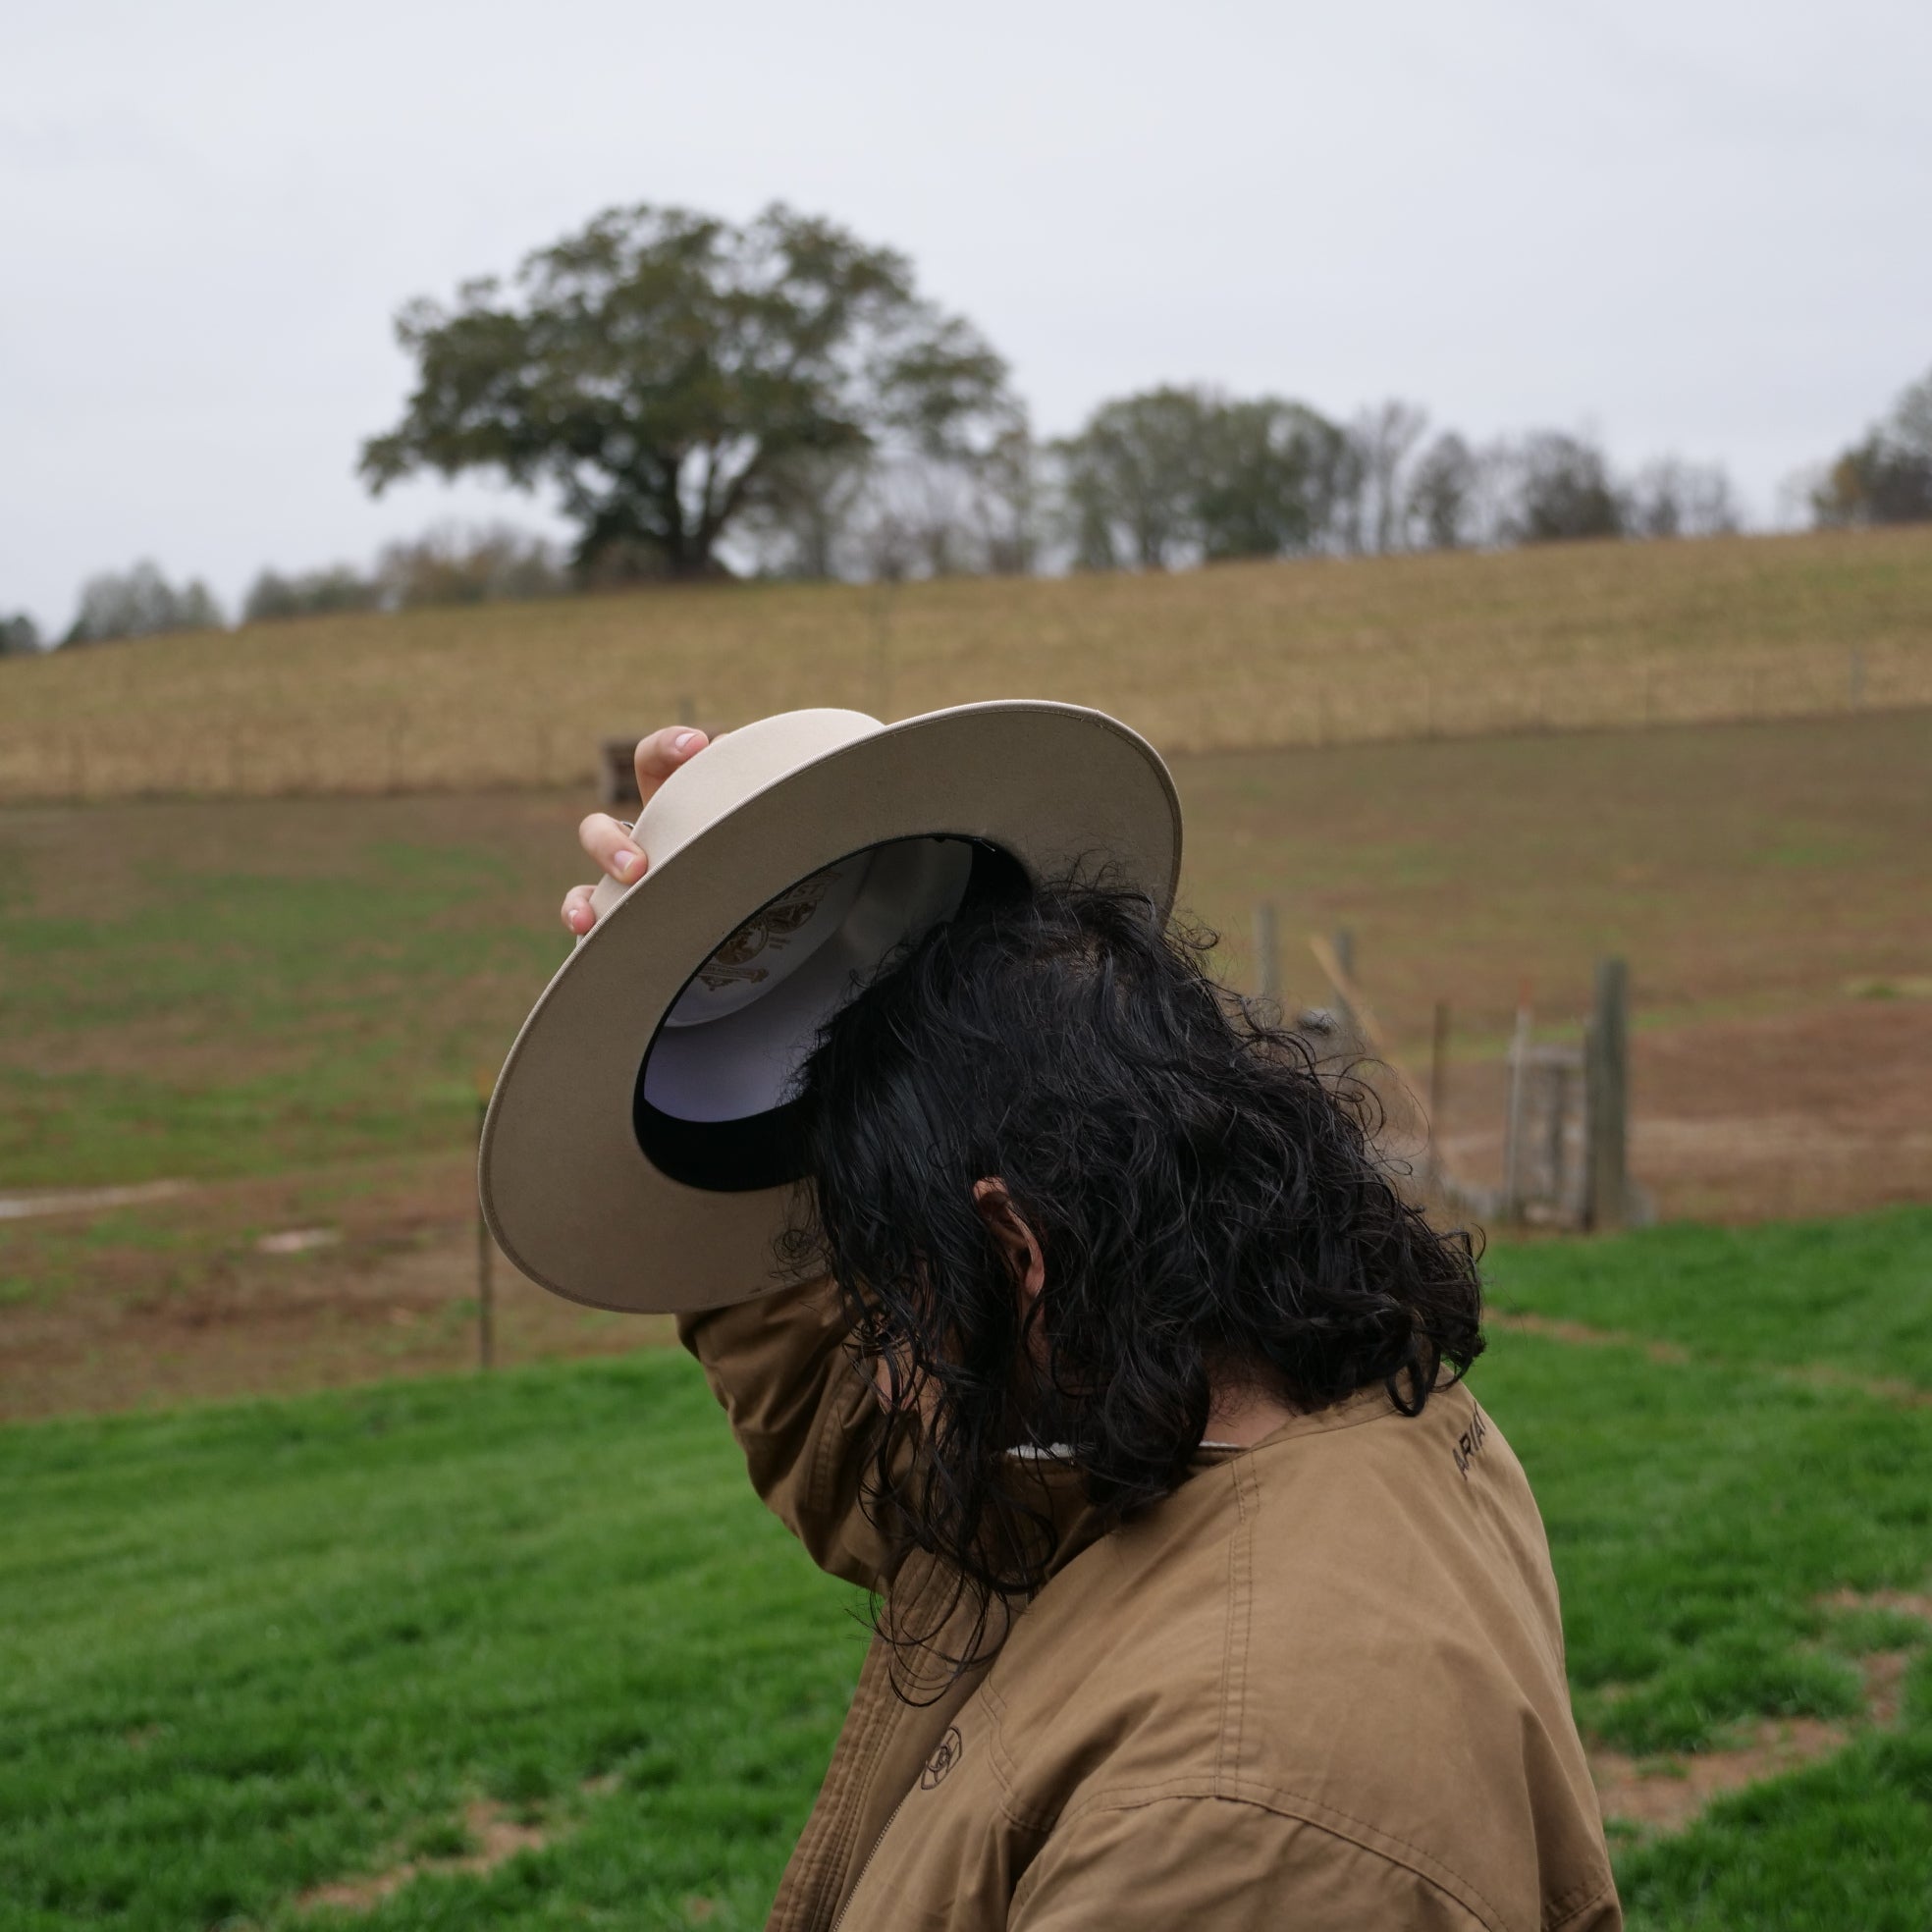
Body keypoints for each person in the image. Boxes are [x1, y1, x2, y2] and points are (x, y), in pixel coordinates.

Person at [563, 726, 1620, 1932]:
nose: (887, 1378)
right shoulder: (1262, 1399)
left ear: (1018, 1251)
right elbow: (868, 1445)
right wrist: (719, 971)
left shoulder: (1233, 1821)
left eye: (885, 1297)